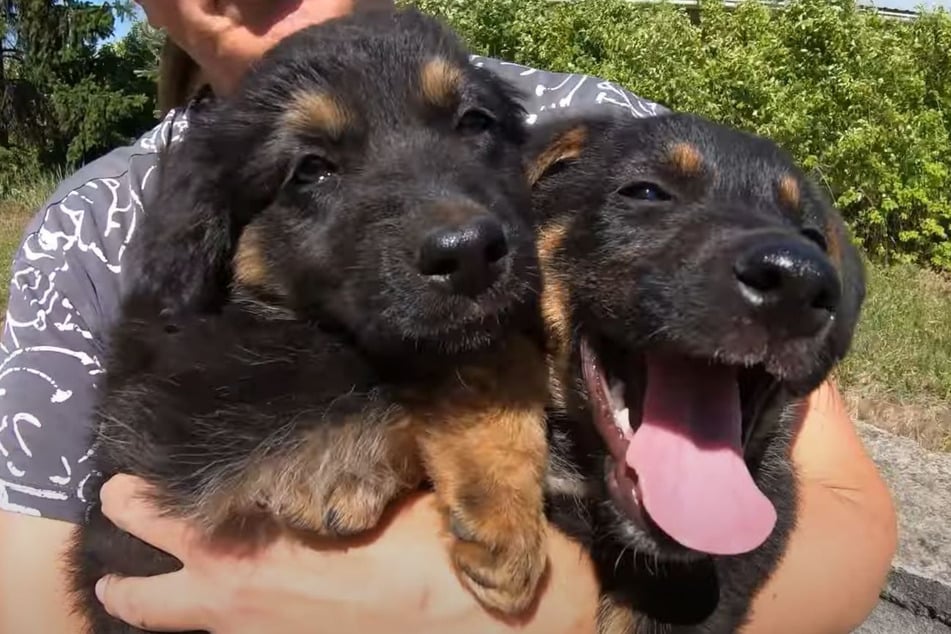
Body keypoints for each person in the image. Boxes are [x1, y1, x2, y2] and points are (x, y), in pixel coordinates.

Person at [0, 1, 898, 632]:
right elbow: (35, 597)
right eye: (309, 173)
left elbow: (844, 517)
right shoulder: (89, 230)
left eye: (469, 129)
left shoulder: (593, 132)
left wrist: (535, 615)